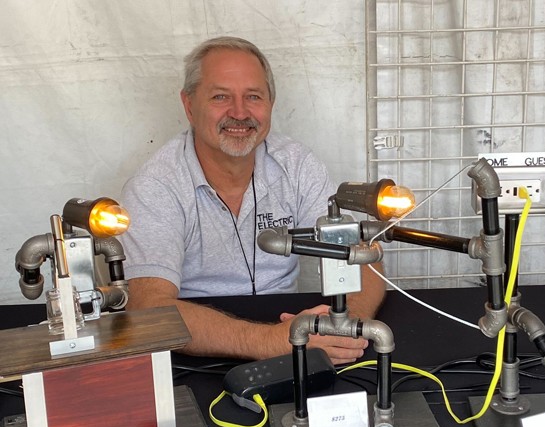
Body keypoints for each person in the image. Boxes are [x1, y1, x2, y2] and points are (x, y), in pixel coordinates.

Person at [120, 36, 385, 364]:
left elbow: (362, 260)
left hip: (295, 337)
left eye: (253, 97)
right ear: (189, 105)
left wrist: (342, 325)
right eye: (220, 96)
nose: (240, 112)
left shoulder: (297, 164)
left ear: (271, 103)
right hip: (195, 351)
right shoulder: (156, 185)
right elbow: (150, 309)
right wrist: (272, 341)